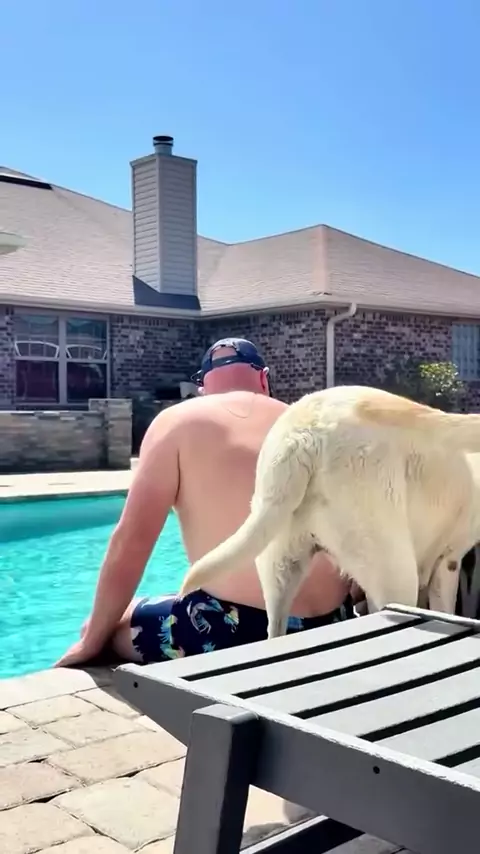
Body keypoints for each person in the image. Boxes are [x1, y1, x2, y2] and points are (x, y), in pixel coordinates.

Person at [55, 338, 352, 668]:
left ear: (203, 389)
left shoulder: (176, 422)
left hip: (238, 631)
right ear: (263, 378)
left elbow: (132, 540)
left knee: (110, 624)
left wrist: (90, 643)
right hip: (334, 621)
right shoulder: (314, 423)